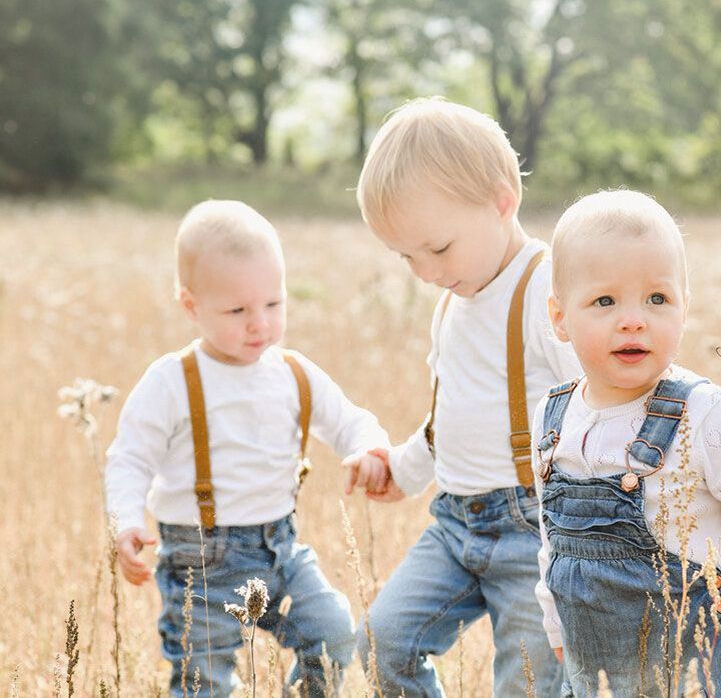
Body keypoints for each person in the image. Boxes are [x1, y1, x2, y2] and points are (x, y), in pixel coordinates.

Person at [533, 189, 721, 696]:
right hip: (598, 669)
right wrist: (554, 621)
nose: (633, 319)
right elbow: (551, 540)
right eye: (604, 300)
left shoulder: (706, 413)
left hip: (698, 661)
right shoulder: (553, 416)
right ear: (560, 317)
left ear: (684, 307)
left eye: (657, 298)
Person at [105, 200, 389, 696]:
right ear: (190, 305)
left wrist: (369, 449)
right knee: (203, 681)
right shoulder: (173, 381)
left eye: (273, 304)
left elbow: (350, 421)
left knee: (334, 632)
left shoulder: (293, 372)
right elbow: (130, 458)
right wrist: (126, 521)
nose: (259, 323)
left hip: (280, 549)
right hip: (200, 561)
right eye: (238, 311)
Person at [346, 98, 580, 696]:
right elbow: (448, 414)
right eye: (408, 257)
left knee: (530, 682)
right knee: (382, 641)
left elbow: (595, 404)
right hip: (455, 523)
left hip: (537, 532)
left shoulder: (544, 290)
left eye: (438, 249)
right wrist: (402, 468)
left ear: (503, 201)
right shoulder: (451, 303)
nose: (424, 271)